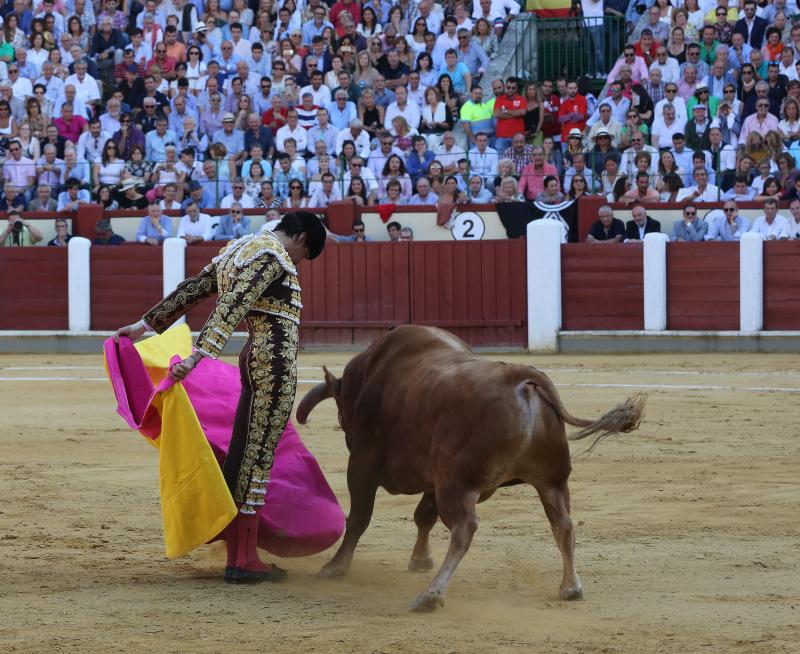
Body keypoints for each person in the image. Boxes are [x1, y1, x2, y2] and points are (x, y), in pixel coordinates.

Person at [115, 212, 326, 584]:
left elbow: (194, 287)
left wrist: (143, 325)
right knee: (256, 457)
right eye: (302, 257)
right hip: (271, 364)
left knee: (244, 450)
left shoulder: (238, 249)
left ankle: (240, 553)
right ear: (302, 239)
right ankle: (243, 560)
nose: (296, 263)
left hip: (253, 360)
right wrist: (199, 355)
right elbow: (233, 306)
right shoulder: (273, 256)